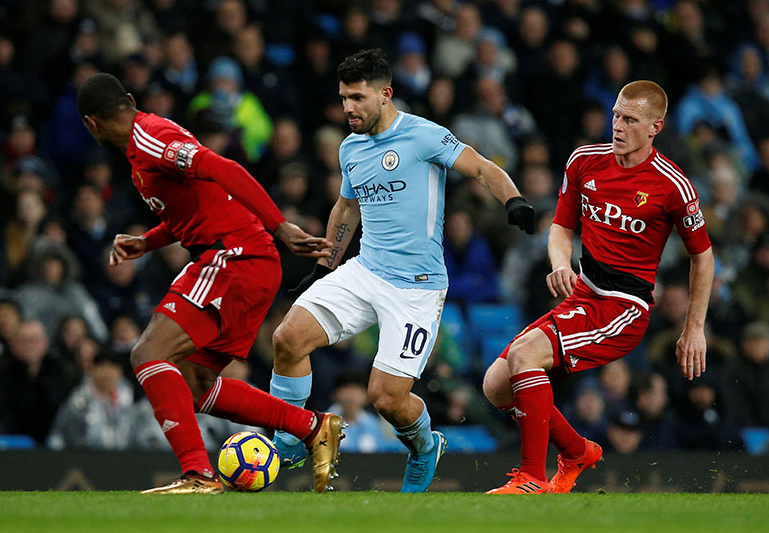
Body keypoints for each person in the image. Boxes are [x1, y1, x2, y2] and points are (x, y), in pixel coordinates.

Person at [269, 49, 534, 493]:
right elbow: (346, 207)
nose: (347, 108)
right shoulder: (350, 147)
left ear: (385, 95)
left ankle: (425, 445)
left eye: (356, 97)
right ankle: (290, 438)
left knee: (387, 399)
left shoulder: (424, 136)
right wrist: (323, 267)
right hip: (366, 270)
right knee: (287, 338)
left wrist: (514, 200)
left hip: (417, 288)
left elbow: (483, 167)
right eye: (343, 98)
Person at [76, 73, 344, 494]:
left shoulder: (148, 137)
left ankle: (198, 474)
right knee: (194, 383)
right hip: (247, 262)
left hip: (235, 255)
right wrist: (146, 241)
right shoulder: (146, 144)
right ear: (128, 98)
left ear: (91, 124)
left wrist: (280, 226)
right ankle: (311, 427)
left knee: (148, 353)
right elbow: (196, 206)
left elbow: (223, 168)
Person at [482, 80, 714, 494]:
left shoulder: (671, 185)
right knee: (496, 386)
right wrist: (559, 263)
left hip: (624, 306)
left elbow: (704, 256)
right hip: (584, 292)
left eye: (630, 119)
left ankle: (531, 479)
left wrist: (694, 327)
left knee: (524, 356)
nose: (618, 126)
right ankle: (576, 451)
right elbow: (559, 226)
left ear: (655, 127)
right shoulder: (584, 161)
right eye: (616, 116)